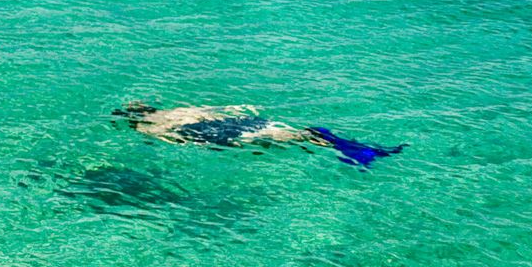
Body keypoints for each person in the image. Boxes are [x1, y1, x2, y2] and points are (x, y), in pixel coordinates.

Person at [113, 102, 405, 167]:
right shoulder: (176, 110)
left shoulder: (149, 128)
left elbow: (179, 141)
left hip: (215, 134)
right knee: (288, 135)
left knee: (290, 140)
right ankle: (348, 146)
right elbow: (216, 110)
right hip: (236, 122)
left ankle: (356, 152)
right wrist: (243, 111)